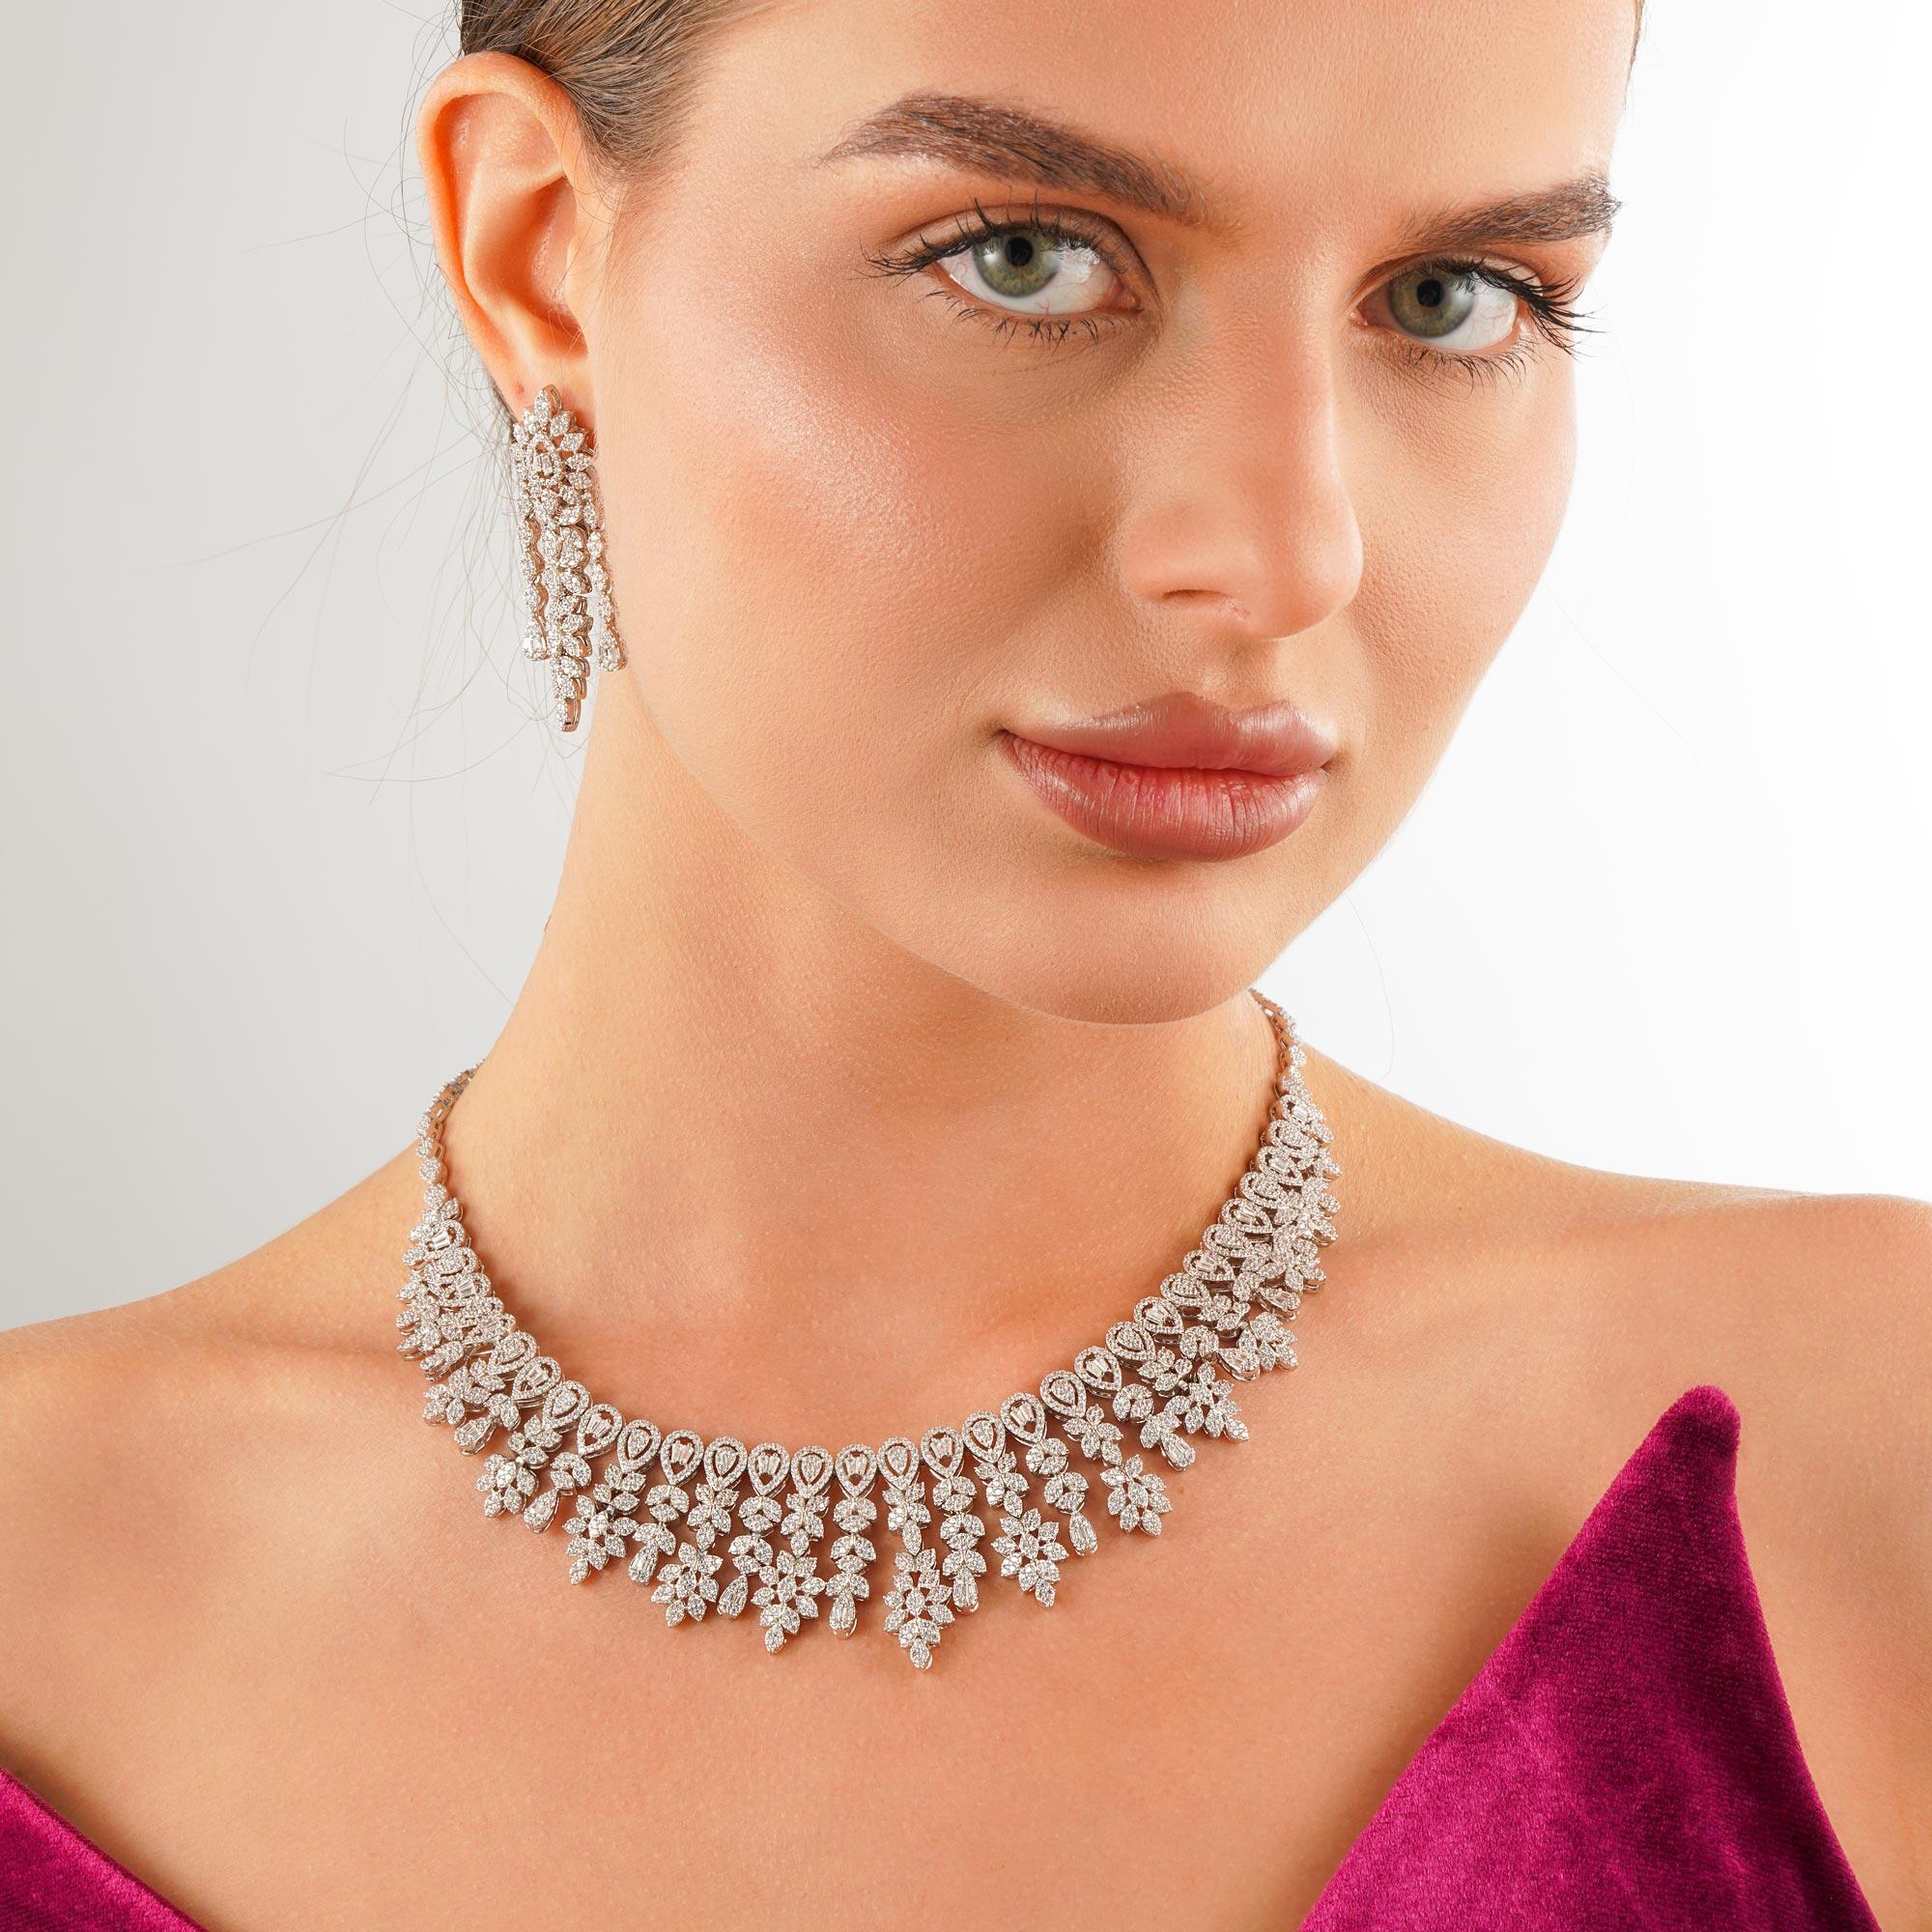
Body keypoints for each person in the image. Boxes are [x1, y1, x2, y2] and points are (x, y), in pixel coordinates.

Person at [1, 0, 1925, 1924]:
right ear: (537, 251)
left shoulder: (1862, 1452)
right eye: (1025, 259)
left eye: (1454, 299)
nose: (1284, 555)